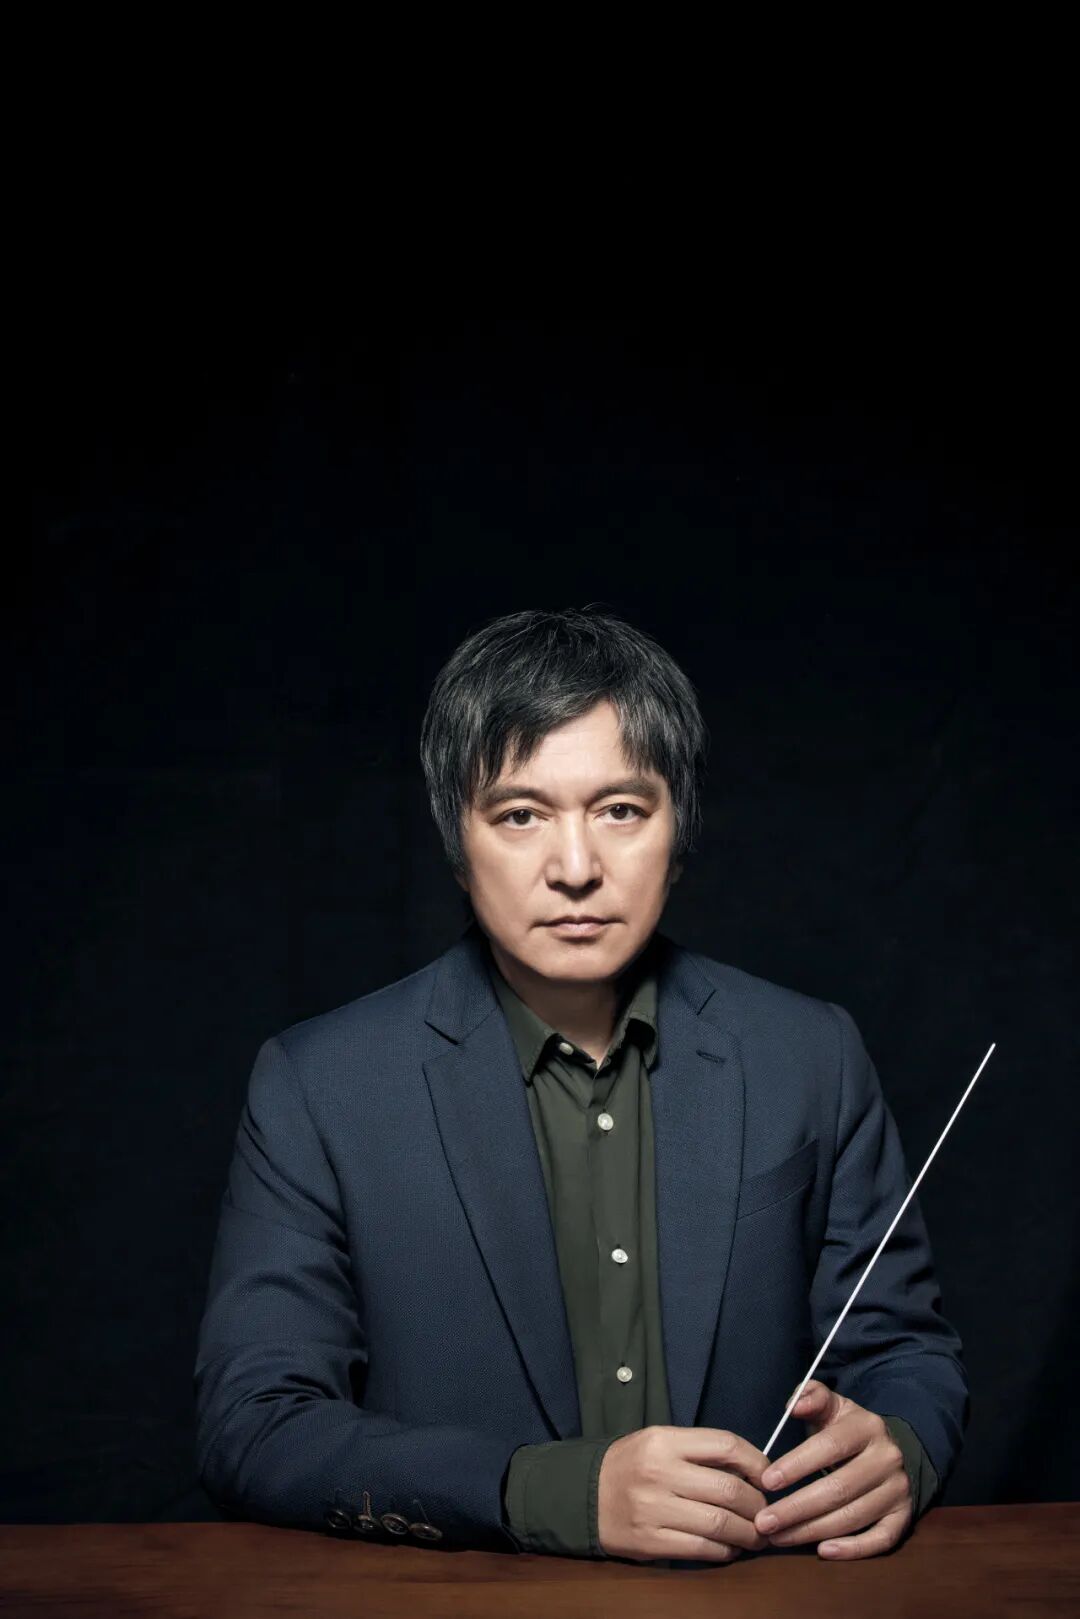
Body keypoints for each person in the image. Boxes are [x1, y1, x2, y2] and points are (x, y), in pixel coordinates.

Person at [194, 606, 968, 1568]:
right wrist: (550, 1492)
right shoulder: (320, 1085)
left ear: (679, 828)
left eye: (621, 810)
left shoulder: (811, 1053)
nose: (574, 868)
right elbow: (254, 1423)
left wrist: (903, 1446)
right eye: (520, 815)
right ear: (458, 840)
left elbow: (905, 1352)